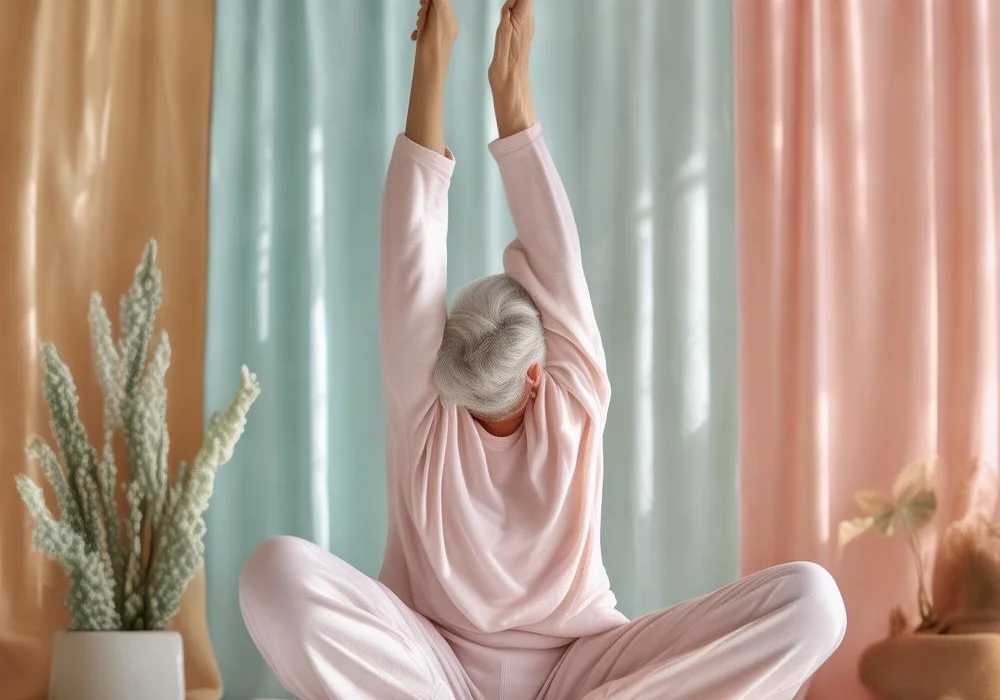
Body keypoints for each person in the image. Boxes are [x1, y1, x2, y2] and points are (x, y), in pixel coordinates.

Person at [238, 1, 847, 698]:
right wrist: (512, 94)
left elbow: (409, 251)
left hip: (556, 669)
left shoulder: (425, 402)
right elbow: (557, 254)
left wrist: (431, 61)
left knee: (272, 574)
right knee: (814, 603)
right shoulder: (573, 393)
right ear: (536, 373)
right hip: (466, 669)